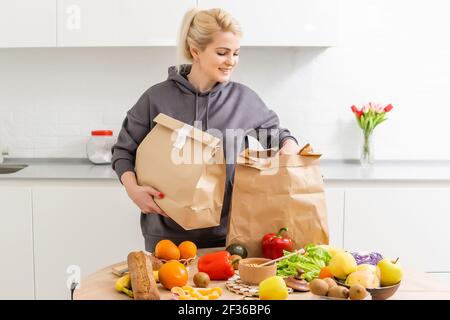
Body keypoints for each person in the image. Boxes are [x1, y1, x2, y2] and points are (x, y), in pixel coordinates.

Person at [111, 8, 300, 252]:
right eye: (222, 53)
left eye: (236, 53)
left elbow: (279, 137)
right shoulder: (156, 98)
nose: (231, 61)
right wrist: (132, 189)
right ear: (195, 51)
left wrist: (289, 146)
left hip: (227, 236)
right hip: (165, 235)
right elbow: (123, 152)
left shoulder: (244, 100)